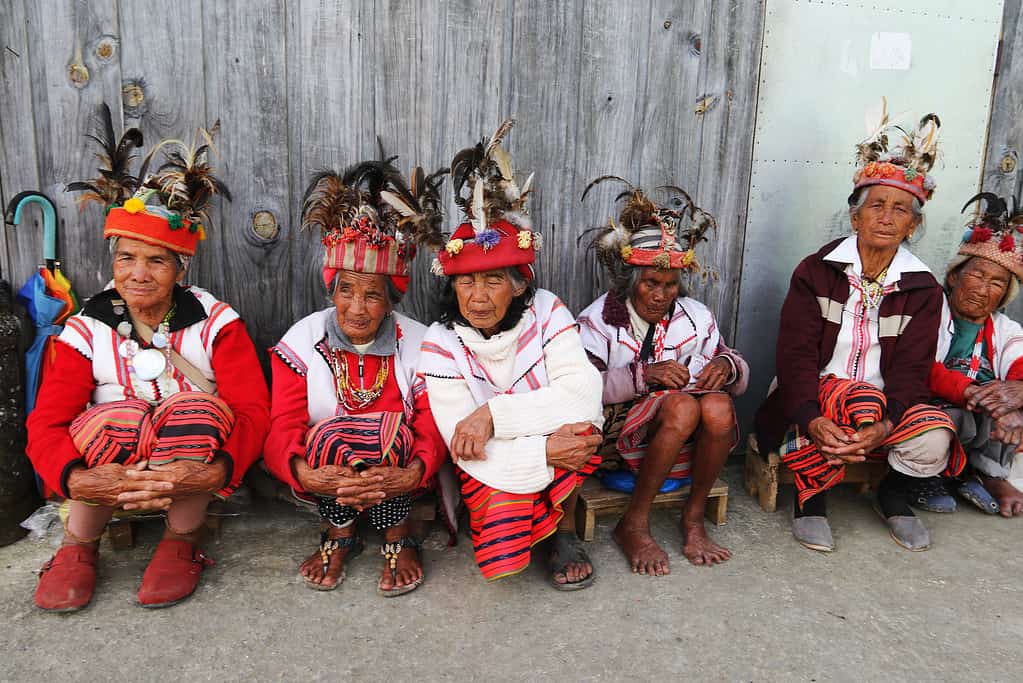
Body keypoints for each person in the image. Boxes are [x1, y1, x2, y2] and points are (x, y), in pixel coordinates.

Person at [27, 106, 269, 611]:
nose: (138, 274)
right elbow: (47, 422)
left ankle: (182, 538)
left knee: (197, 410)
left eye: (155, 260)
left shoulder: (216, 321)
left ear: (179, 267)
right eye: (125, 259)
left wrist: (218, 471)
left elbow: (252, 412)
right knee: (115, 415)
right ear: (112, 262)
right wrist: (76, 479)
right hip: (111, 462)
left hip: (187, 461)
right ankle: (78, 544)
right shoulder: (85, 327)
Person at [755, 101, 963, 552]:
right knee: (853, 399)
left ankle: (893, 490)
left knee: (934, 436)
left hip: (884, 403)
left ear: (913, 225)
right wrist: (809, 416)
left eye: (901, 210)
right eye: (877, 206)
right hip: (815, 393)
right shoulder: (816, 272)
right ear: (855, 217)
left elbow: (912, 369)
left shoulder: (923, 288)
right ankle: (812, 498)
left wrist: (887, 423)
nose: (886, 217)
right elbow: (795, 355)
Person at [418, 120, 605, 588]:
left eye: (493, 280)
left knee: (581, 429)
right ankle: (527, 525)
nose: (477, 297)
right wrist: (541, 447)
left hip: (536, 436)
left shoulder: (548, 311)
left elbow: (583, 396)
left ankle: (561, 533)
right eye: (466, 281)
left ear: (520, 285)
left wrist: (493, 415)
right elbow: (464, 446)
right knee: (506, 490)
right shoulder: (440, 345)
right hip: (507, 455)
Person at [264, 161, 449, 595]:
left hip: (394, 472)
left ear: (392, 300)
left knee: (394, 438)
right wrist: (302, 472)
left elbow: (429, 423)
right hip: (330, 471)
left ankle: (396, 535)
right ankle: (339, 532)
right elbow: (284, 424)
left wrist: (414, 472)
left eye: (372, 294)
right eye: (346, 290)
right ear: (332, 290)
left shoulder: (421, 343)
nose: (357, 308)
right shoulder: (302, 341)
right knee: (326, 439)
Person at [576, 179, 749, 573]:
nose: (661, 295)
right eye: (651, 284)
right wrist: (643, 376)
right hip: (616, 443)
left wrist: (726, 367)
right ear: (631, 282)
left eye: (670, 285)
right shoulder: (598, 321)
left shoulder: (695, 316)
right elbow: (580, 389)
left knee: (719, 406)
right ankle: (634, 523)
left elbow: (734, 367)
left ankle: (693, 519)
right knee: (683, 407)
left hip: (679, 441)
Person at [927, 191, 1023, 517]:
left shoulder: (1005, 329)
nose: (983, 289)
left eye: (997, 283)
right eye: (978, 275)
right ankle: (935, 475)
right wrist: (981, 396)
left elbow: (1020, 363)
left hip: (984, 418)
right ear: (954, 277)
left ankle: (989, 474)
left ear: (1004, 296)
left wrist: (1016, 397)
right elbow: (920, 366)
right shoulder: (930, 312)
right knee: (952, 418)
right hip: (942, 407)